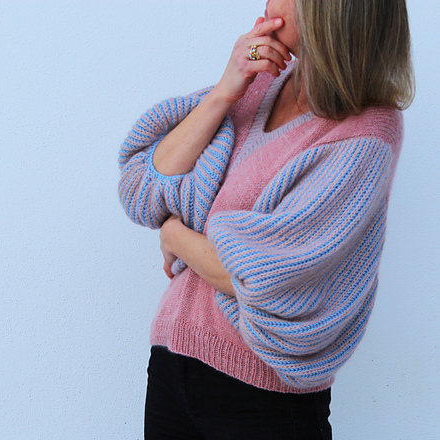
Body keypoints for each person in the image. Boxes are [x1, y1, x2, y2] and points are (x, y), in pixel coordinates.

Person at [118, 0, 414, 438]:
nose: (270, 3)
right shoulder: (260, 85)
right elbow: (143, 188)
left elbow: (267, 274)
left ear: (331, 13)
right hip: (170, 367)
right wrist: (224, 91)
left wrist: (175, 234)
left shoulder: (367, 132)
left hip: (261, 400)